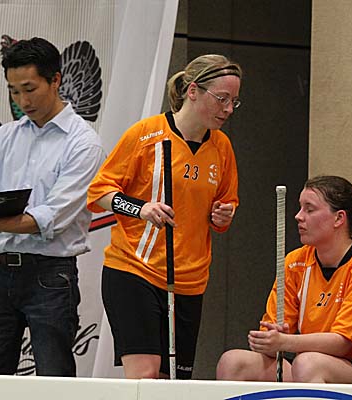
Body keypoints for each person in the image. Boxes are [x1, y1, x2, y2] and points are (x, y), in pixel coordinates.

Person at [0, 37, 104, 376]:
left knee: (54, 382)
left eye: (30, 89)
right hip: (0, 271)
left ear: (56, 80)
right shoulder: (2, 139)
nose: (22, 101)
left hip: (52, 274)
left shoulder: (83, 143)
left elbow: (52, 218)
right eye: (14, 91)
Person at [87, 54, 241, 379]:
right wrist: (140, 208)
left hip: (190, 279)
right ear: (193, 91)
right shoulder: (146, 134)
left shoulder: (222, 147)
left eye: (234, 102)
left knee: (175, 382)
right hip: (135, 269)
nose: (228, 109)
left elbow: (224, 208)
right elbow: (99, 192)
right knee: (145, 374)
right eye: (222, 99)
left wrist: (222, 215)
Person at [216, 175, 352, 383]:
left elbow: (343, 343)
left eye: (309, 210)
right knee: (233, 362)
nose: (298, 216)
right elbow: (274, 333)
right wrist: (269, 339)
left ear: (339, 218)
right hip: (305, 362)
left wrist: (285, 341)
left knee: (307, 363)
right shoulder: (295, 261)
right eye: (300, 208)